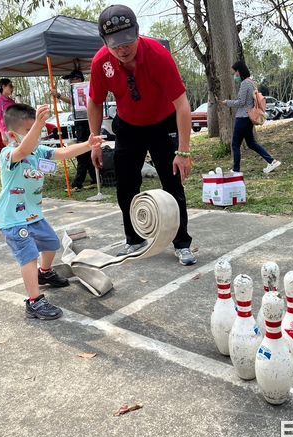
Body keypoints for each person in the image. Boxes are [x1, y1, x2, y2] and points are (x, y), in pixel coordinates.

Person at [87, 4, 196, 266]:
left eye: (127, 41)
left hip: (162, 123)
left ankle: (182, 243)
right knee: (126, 185)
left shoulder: (158, 55)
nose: (123, 49)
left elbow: (182, 106)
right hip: (128, 125)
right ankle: (134, 239)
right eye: (115, 44)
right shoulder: (101, 63)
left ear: (137, 33)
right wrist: (94, 141)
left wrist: (183, 152)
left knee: (172, 184)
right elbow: (94, 102)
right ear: (105, 42)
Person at [0, 103, 103, 320]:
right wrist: (38, 124)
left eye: (38, 131)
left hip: (33, 215)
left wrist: (87, 145)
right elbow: (24, 149)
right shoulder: (10, 154)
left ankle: (45, 273)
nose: (36, 136)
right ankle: (34, 302)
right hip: (12, 218)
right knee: (28, 256)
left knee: (52, 243)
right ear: (12, 136)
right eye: (29, 131)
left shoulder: (38, 152)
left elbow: (62, 153)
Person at [221, 61, 281, 174]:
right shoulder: (252, 82)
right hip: (249, 118)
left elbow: (241, 102)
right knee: (251, 143)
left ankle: (236, 170)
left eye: (235, 73)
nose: (234, 76)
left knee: (235, 144)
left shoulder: (245, 83)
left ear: (239, 71)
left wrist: (227, 103)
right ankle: (271, 161)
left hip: (243, 117)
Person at [50, 70, 97, 191]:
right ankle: (95, 179)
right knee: (86, 153)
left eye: (72, 79)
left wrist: (59, 95)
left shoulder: (83, 89)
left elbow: (75, 102)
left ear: (79, 79)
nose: (70, 82)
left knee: (82, 154)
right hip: (81, 122)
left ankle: (77, 184)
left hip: (85, 123)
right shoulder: (78, 90)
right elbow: (73, 101)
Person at [0, 78, 16, 146]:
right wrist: (3, 134)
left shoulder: (12, 101)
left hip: (16, 130)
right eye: (10, 86)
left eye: (12, 86)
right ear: (3, 86)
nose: (12, 88)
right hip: (7, 132)